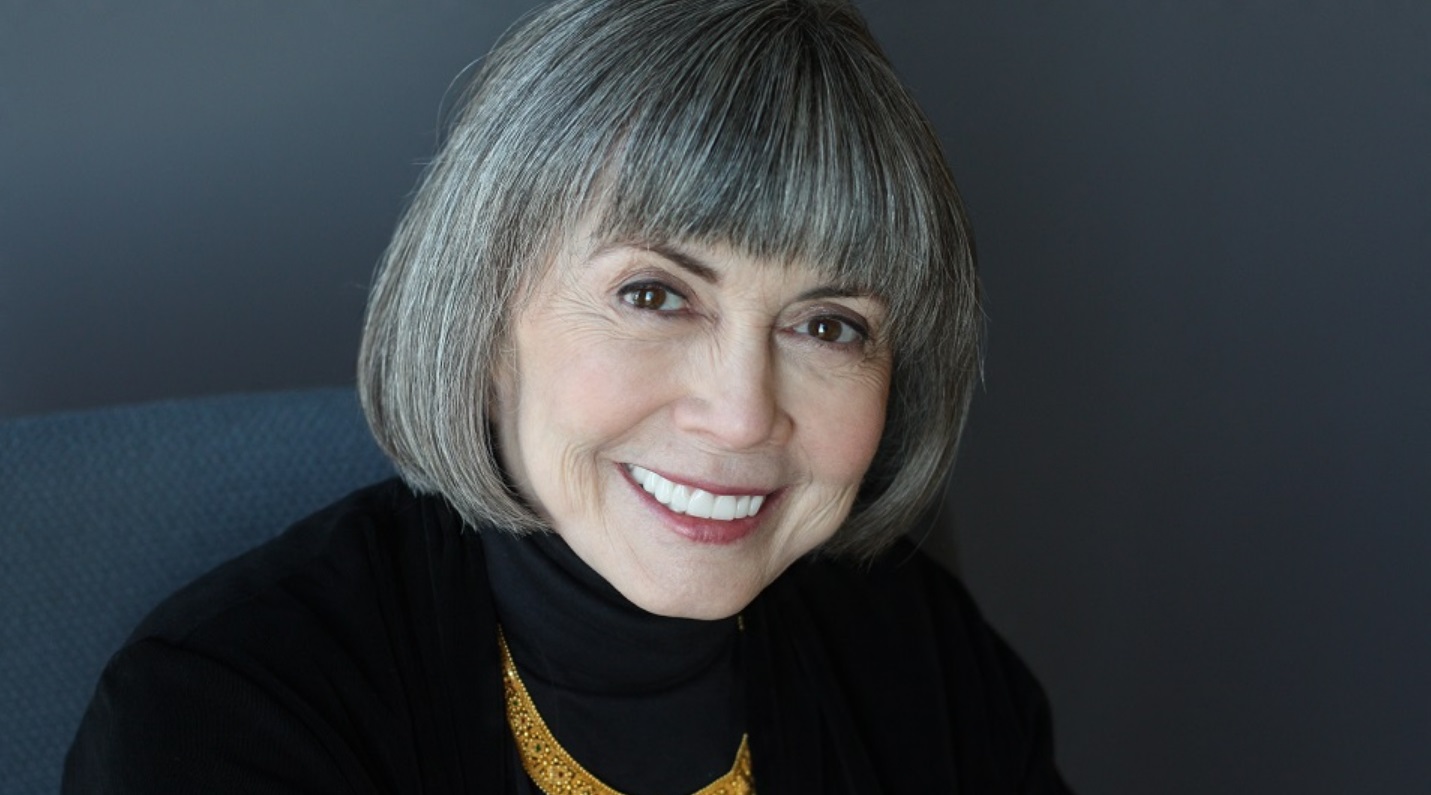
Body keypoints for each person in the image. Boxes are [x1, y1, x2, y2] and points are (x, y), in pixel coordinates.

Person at [65, 0, 1073, 792]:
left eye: (827, 325)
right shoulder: (222, 713)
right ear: (484, 317)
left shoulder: (923, 655)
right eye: (655, 295)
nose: (740, 415)